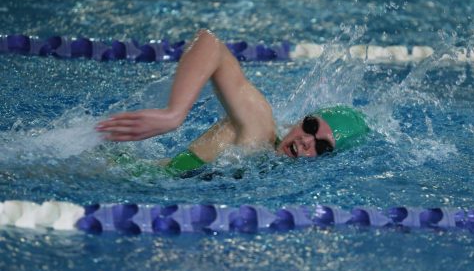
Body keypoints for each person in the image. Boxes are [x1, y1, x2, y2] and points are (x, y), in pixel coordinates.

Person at [96, 29, 369, 175]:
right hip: (113, 172)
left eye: (322, 147)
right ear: (302, 119)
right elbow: (210, 43)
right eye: (311, 126)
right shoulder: (259, 128)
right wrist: (174, 115)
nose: (308, 141)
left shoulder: (272, 165)